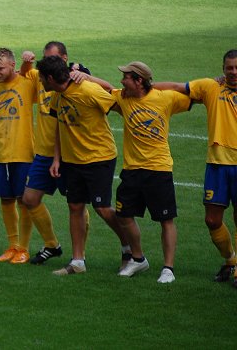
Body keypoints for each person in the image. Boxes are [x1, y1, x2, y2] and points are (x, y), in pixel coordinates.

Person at [80, 62, 191, 283]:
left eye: (126, 78)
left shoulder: (165, 98)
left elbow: (193, 96)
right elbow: (106, 88)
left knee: (166, 219)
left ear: (139, 80)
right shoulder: (124, 98)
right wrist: (82, 77)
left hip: (159, 169)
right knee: (124, 215)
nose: (122, 81)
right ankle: (138, 259)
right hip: (131, 170)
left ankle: (168, 268)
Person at [36, 55, 129, 276]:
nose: (40, 82)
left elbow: (118, 101)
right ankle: (78, 261)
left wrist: (89, 77)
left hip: (99, 157)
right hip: (72, 161)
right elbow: (60, 126)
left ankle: (129, 249)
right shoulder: (57, 97)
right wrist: (57, 159)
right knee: (75, 207)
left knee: (102, 209)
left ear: (50, 78)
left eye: (41, 78)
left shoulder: (87, 90)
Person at [153, 51, 237, 284]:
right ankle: (231, 260)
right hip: (217, 165)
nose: (233, 72)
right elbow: (178, 87)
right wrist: (146, 86)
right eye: (229, 68)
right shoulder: (211, 87)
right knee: (212, 220)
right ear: (223, 68)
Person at [18, 42, 87, 266]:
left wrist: (85, 75)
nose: (47, 64)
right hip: (43, 151)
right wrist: (26, 61)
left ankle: (80, 254)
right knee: (29, 198)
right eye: (45, 59)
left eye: (53, 59)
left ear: (64, 59)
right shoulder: (41, 76)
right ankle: (51, 245)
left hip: (69, 153)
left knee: (76, 204)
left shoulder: (76, 79)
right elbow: (24, 74)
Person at [0, 48, 40, 264]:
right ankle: (12, 246)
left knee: (23, 201)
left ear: (12, 66)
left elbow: (29, 73)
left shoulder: (26, 84)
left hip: (23, 153)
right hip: (0, 154)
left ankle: (24, 248)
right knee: (6, 200)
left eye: (1, 68)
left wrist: (28, 64)